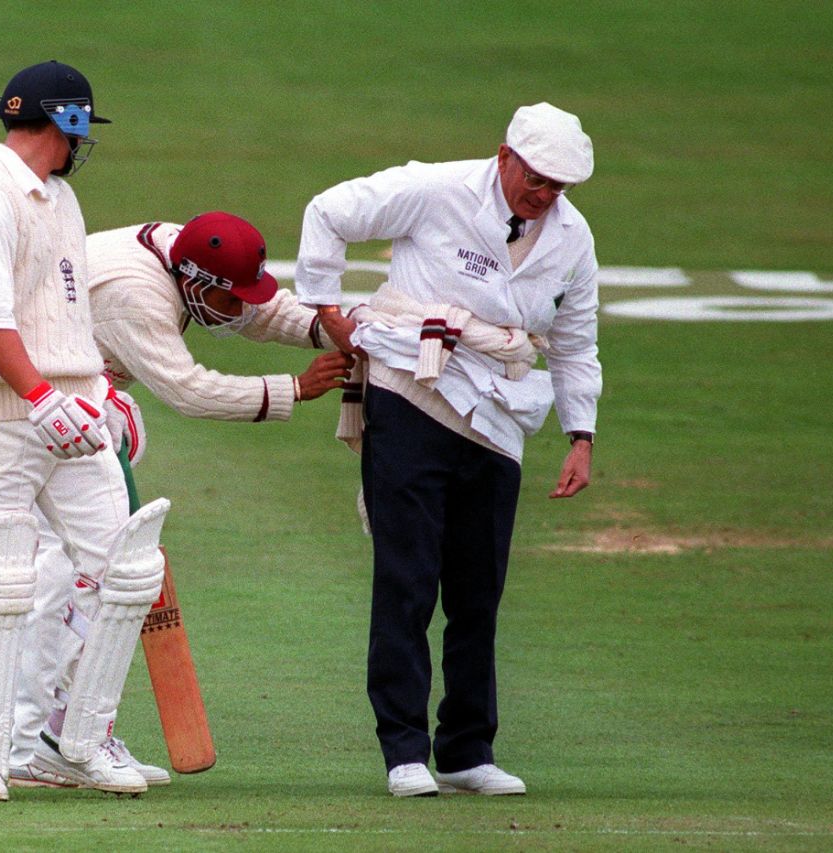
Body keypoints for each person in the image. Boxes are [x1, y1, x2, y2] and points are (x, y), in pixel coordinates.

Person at [294, 103, 601, 797]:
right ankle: (404, 749)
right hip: (411, 387)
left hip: (500, 414)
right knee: (407, 577)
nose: (546, 195)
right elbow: (328, 211)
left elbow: (578, 340)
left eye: (561, 186)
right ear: (505, 156)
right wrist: (326, 308)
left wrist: (580, 435)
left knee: (477, 591)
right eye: (539, 177)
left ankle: (466, 749)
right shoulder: (436, 188)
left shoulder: (574, 238)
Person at [4, 212, 355, 788]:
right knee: (82, 576)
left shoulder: (188, 255)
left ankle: (52, 737)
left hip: (70, 404)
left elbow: (255, 306)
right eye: (227, 297)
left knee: (78, 574)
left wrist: (331, 328)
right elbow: (188, 390)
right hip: (45, 415)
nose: (239, 310)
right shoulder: (134, 296)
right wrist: (294, 387)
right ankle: (50, 740)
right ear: (192, 280)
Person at [0, 59, 151, 801]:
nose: (80, 146)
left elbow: (61, 310)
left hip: (72, 412)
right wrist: (37, 396)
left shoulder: (57, 198)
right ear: (66, 121)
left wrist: (94, 390)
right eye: (80, 129)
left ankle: (74, 741)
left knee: (124, 570)